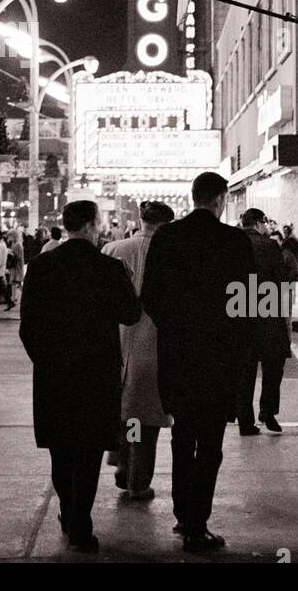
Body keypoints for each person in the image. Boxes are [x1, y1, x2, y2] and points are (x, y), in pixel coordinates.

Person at [141, 171, 257, 553]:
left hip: (177, 357)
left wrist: (175, 328)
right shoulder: (234, 241)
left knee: (181, 436)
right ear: (221, 199)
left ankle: (182, 514)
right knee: (210, 444)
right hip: (219, 360)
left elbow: (150, 297)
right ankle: (198, 524)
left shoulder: (167, 237)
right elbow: (248, 303)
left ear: (193, 198)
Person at [20, 201, 139, 553]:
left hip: (54, 375)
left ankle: (67, 510)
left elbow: (28, 328)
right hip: (97, 375)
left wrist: (46, 361)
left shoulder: (40, 267)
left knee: (61, 450)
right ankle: (80, 523)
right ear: (90, 225)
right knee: (88, 452)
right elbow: (131, 315)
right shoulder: (109, 268)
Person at [103, 200, 175, 499]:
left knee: (126, 412)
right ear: (165, 225)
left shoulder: (112, 250)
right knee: (145, 419)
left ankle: (123, 464)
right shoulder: (171, 254)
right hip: (154, 344)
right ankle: (137, 480)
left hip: (118, 341)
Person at [235, 209, 295, 435]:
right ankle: (268, 412)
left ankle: (245, 420)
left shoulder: (232, 244)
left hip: (240, 312)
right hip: (267, 312)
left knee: (245, 371)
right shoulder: (269, 246)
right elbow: (281, 279)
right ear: (259, 223)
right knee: (273, 364)